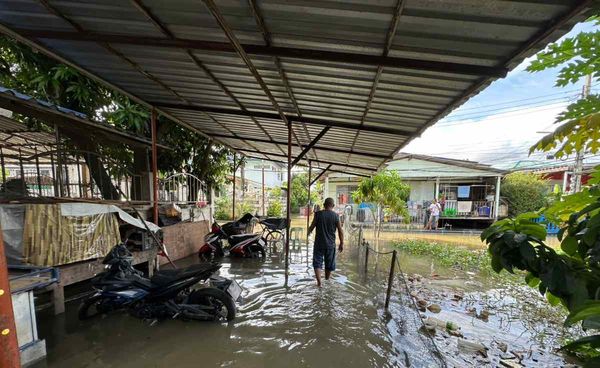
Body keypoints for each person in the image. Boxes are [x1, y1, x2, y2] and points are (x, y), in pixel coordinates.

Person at [308, 197, 344, 287]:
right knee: (329, 264)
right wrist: (341, 243)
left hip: (319, 244)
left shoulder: (318, 214)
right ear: (333, 206)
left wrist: (307, 234)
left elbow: (311, 227)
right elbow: (340, 230)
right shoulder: (336, 216)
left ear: (324, 205)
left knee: (317, 263)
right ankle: (327, 280)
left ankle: (319, 283)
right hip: (330, 245)